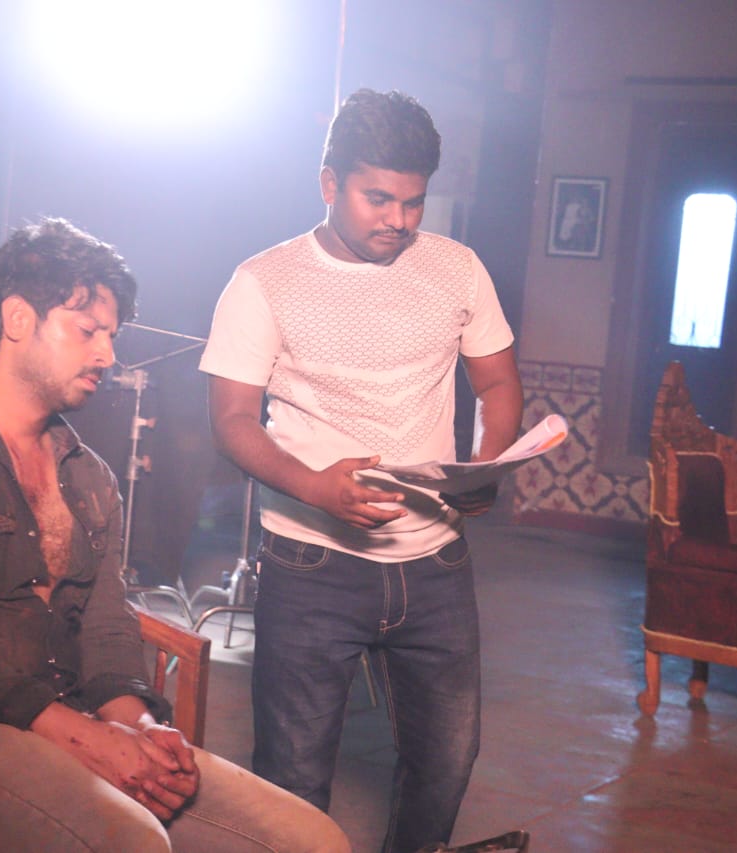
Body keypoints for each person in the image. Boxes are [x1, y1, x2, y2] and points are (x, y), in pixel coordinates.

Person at [0, 217, 350, 852]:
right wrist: (81, 736)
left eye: (111, 335)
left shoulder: (88, 475)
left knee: (311, 839)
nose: (107, 355)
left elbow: (105, 623)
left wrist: (139, 725)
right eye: (87, 331)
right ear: (18, 319)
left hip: (61, 714)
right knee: (131, 843)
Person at [199, 90, 524, 853]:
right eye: (378, 198)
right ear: (329, 183)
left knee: (447, 761)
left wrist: (484, 464)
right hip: (310, 565)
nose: (399, 219)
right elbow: (232, 421)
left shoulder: (457, 268)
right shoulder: (263, 280)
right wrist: (316, 486)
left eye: (414, 201)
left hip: (435, 563)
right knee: (293, 778)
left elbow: (499, 384)